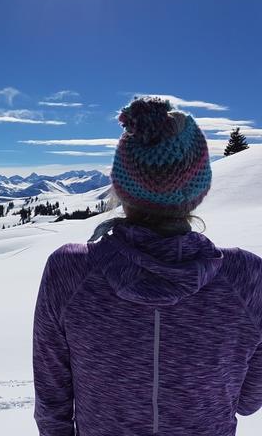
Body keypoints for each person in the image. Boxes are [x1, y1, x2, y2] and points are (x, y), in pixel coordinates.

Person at [32, 96, 262, 435]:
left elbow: (53, 405)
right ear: (200, 188)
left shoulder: (69, 271)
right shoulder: (246, 277)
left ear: (120, 185)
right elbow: (248, 400)